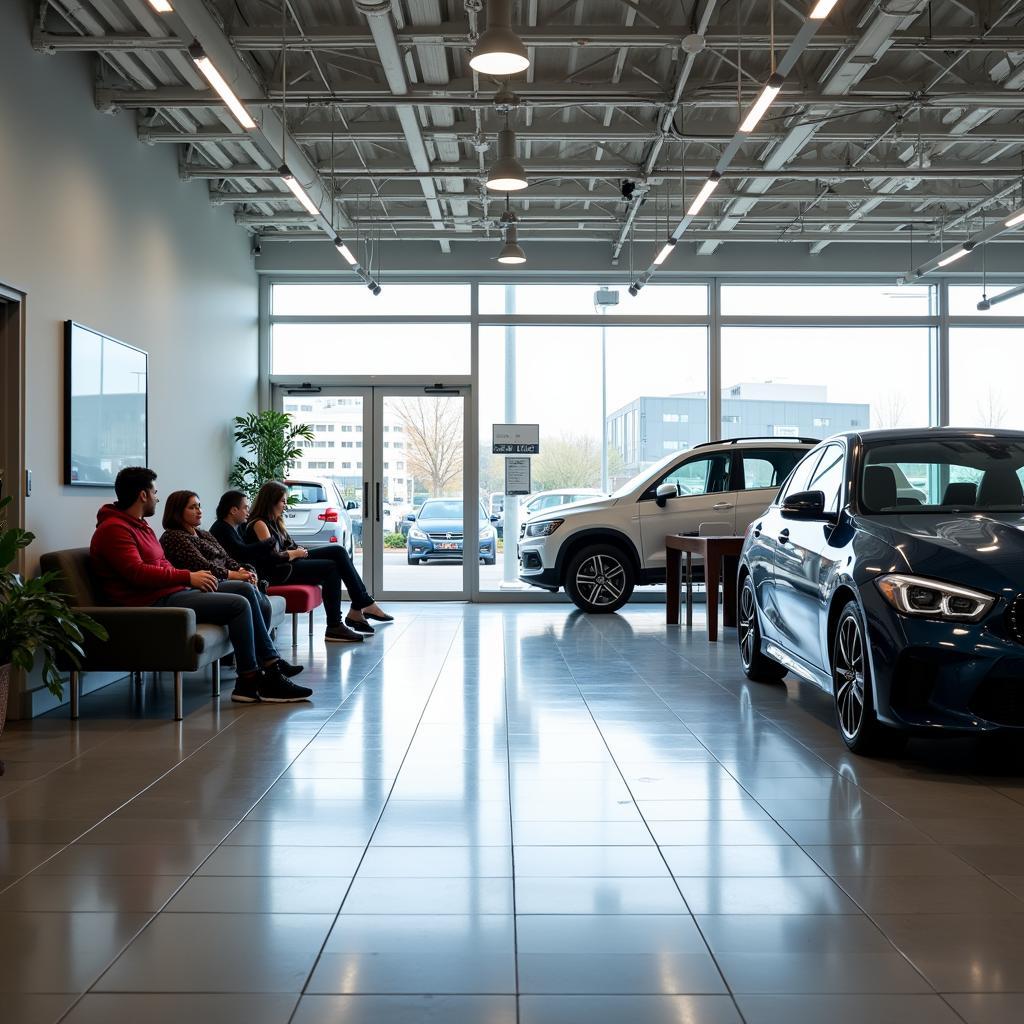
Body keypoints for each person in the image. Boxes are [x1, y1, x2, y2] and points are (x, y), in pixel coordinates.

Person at [90, 468, 312, 704]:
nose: (157, 497)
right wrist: (188, 577)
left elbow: (162, 565)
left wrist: (194, 578)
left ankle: (270, 666)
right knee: (238, 604)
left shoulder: (139, 525)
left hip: (171, 592)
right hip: (151, 602)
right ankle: (250, 679)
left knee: (246, 590)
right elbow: (137, 574)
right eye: (154, 492)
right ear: (143, 495)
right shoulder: (114, 529)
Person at [159, 489, 303, 680]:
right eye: (192, 507)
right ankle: (269, 662)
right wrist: (236, 575)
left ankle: (268, 661)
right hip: (204, 584)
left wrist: (243, 571)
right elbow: (201, 565)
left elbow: (226, 558)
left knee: (258, 595)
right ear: (177, 512)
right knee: (246, 589)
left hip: (223, 580)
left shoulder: (202, 534)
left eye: (199, 506)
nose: (199, 511)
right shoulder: (173, 536)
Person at [246, 480, 393, 644]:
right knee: (331, 568)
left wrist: (297, 550)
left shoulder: (275, 521)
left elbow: (288, 546)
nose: (285, 506)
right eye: (282, 502)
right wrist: (295, 553)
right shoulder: (259, 524)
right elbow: (272, 557)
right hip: (277, 571)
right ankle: (336, 625)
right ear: (270, 501)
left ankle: (361, 602)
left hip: (288, 563)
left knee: (338, 550)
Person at [210, 490, 290, 583]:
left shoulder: (238, 526)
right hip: (230, 571)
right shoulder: (221, 528)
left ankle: (271, 574)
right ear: (233, 510)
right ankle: (269, 578)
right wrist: (267, 542)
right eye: (245, 508)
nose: (248, 512)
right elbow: (241, 552)